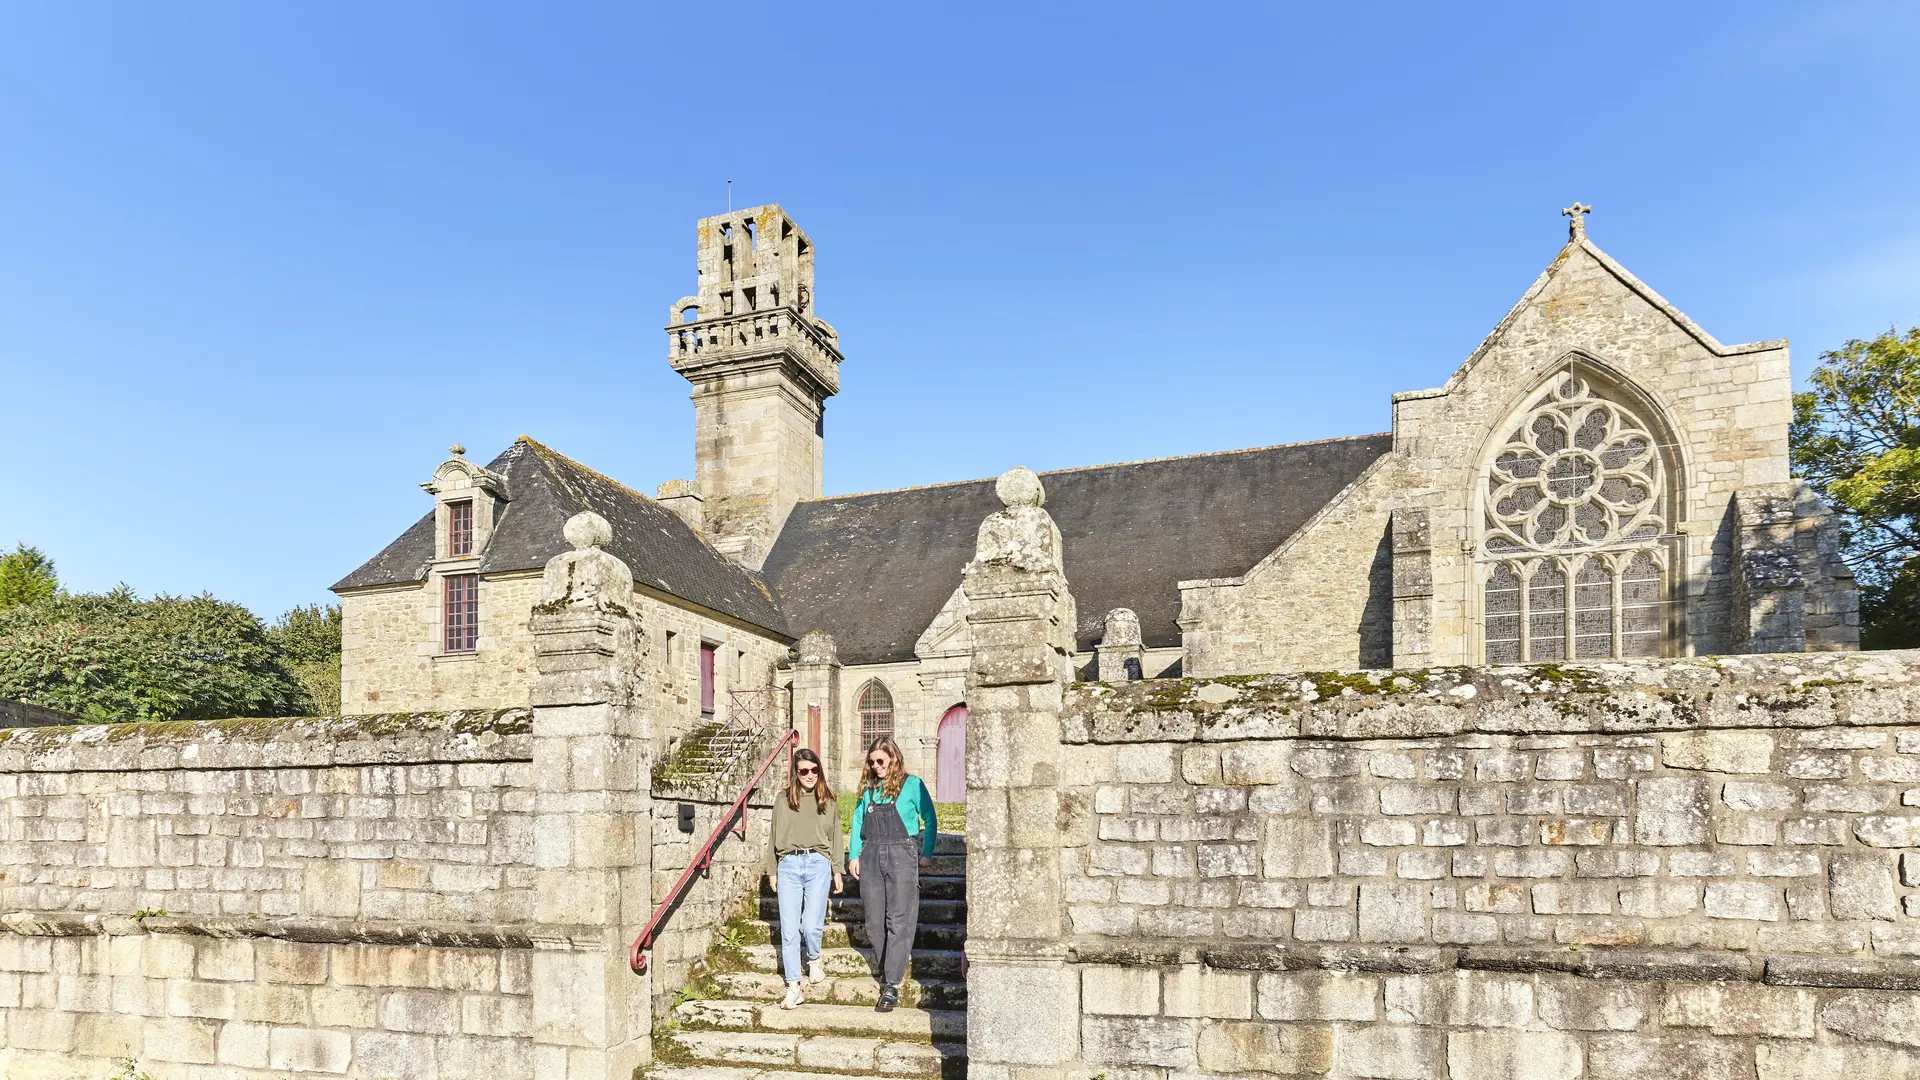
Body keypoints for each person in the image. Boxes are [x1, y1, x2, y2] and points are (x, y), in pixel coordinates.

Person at [847, 735, 937, 1013]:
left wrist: (927, 852)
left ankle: (892, 983)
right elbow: (857, 821)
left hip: (902, 853)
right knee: (874, 921)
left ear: (894, 758)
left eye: (880, 760)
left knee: (899, 919)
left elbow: (930, 818)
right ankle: (891, 965)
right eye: (872, 762)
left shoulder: (913, 785)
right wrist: (853, 855)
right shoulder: (869, 789)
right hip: (871, 853)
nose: (875, 766)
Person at [766, 747, 844, 1010]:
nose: (810, 775)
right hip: (788, 864)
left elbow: (836, 838)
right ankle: (793, 987)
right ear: (795, 773)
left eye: (814, 770)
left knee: (811, 926)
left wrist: (837, 870)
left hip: (818, 864)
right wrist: (772, 870)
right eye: (804, 771)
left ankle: (814, 959)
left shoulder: (828, 801)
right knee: (789, 930)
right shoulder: (782, 799)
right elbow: (772, 836)